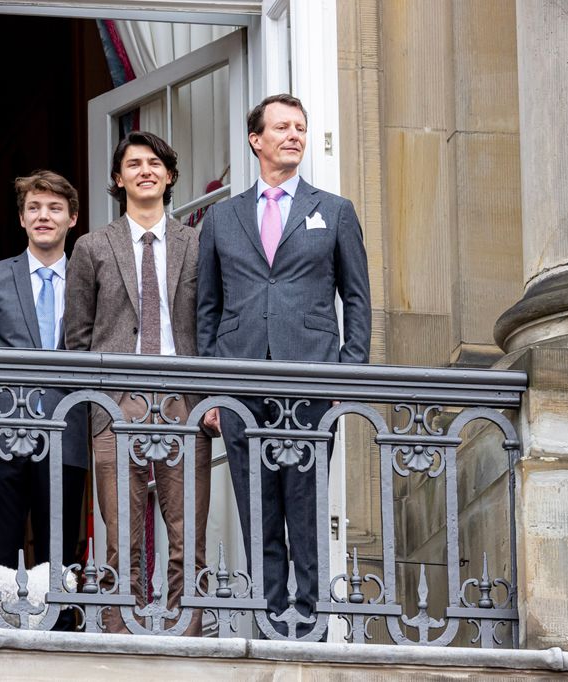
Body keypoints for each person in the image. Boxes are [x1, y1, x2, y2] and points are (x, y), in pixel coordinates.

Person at [197, 93, 371, 635]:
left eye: (300, 126)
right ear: (256, 140)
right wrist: (210, 391)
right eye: (282, 127)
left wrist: (350, 373)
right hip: (240, 379)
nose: (294, 135)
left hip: (311, 378)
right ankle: (271, 621)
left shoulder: (335, 210)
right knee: (258, 507)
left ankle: (314, 621)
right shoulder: (222, 217)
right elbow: (207, 307)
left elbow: (358, 299)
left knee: (306, 502)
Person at [64, 132, 211, 635]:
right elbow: (77, 337)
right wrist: (96, 407)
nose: (145, 170)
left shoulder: (196, 242)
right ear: (118, 178)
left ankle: (184, 634)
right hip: (115, 399)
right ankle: (119, 633)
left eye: (155, 163)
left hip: (181, 397)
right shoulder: (91, 246)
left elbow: (209, 327)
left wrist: (209, 399)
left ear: (169, 176)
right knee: (119, 533)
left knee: (186, 530)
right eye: (133, 163)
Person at [0, 171, 90, 590]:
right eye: (33, 208)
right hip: (1, 431)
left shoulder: (89, 278)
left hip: (67, 428)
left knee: (60, 549)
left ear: (72, 218)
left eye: (55, 208)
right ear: (21, 219)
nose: (43, 217)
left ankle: (59, 633)